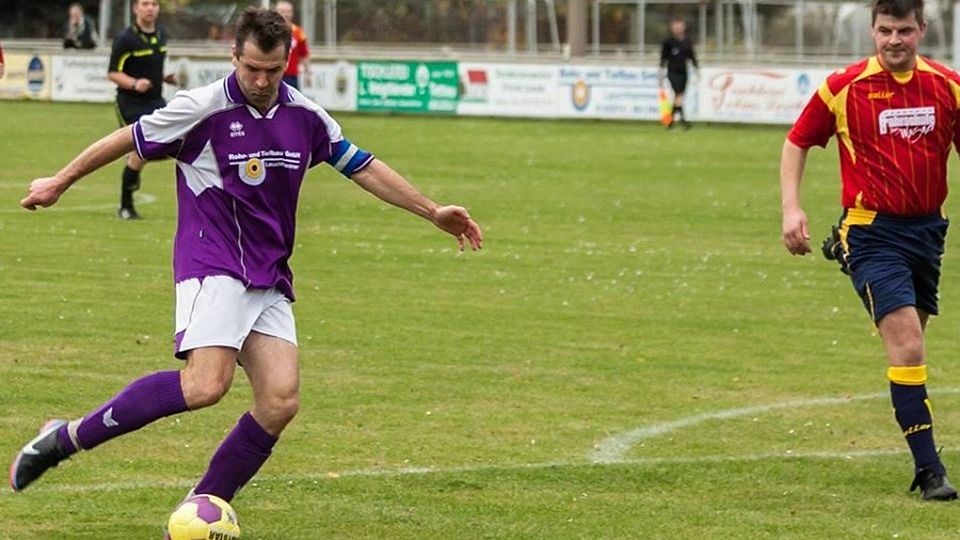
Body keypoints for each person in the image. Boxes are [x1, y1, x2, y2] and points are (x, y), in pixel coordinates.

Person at [10, 7, 482, 508]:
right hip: (211, 260)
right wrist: (60, 181)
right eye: (251, 67)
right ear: (233, 55)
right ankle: (65, 437)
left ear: (287, 62)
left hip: (268, 273)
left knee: (280, 400)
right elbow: (129, 138)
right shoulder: (203, 106)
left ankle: (205, 503)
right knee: (206, 384)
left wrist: (432, 211)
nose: (261, 80)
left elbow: (361, 166)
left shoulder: (305, 116)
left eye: (272, 70)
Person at [780, 0, 958, 501]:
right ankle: (930, 471)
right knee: (907, 345)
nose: (894, 40)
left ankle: (922, 455)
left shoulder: (947, 86)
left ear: (922, 29)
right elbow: (797, 142)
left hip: (928, 233)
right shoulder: (844, 87)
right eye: (885, 30)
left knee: (912, 344)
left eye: (904, 30)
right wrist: (791, 208)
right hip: (871, 232)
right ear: (872, 30)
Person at [107, 0, 177, 220]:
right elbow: (113, 73)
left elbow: (154, 68)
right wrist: (135, 83)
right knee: (139, 152)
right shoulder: (125, 39)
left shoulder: (162, 35)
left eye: (154, 4)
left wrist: (166, 78)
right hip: (130, 102)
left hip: (155, 101)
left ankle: (133, 169)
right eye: (145, 3)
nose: (150, 8)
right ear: (135, 8)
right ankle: (125, 206)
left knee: (174, 144)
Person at [659, 18, 698, 129]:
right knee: (679, 94)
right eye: (676, 27)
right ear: (672, 29)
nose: (678, 29)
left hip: (684, 72)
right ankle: (682, 120)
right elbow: (663, 58)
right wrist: (660, 73)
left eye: (680, 27)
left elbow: (692, 56)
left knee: (679, 96)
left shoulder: (687, 41)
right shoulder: (668, 42)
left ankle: (671, 121)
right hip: (672, 72)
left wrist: (696, 68)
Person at [276, 0, 310, 90]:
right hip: (273, 73)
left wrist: (307, 72)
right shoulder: (269, 31)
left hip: (291, 76)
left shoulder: (298, 32)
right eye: (283, 12)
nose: (286, 15)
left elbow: (304, 54)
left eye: (288, 12)